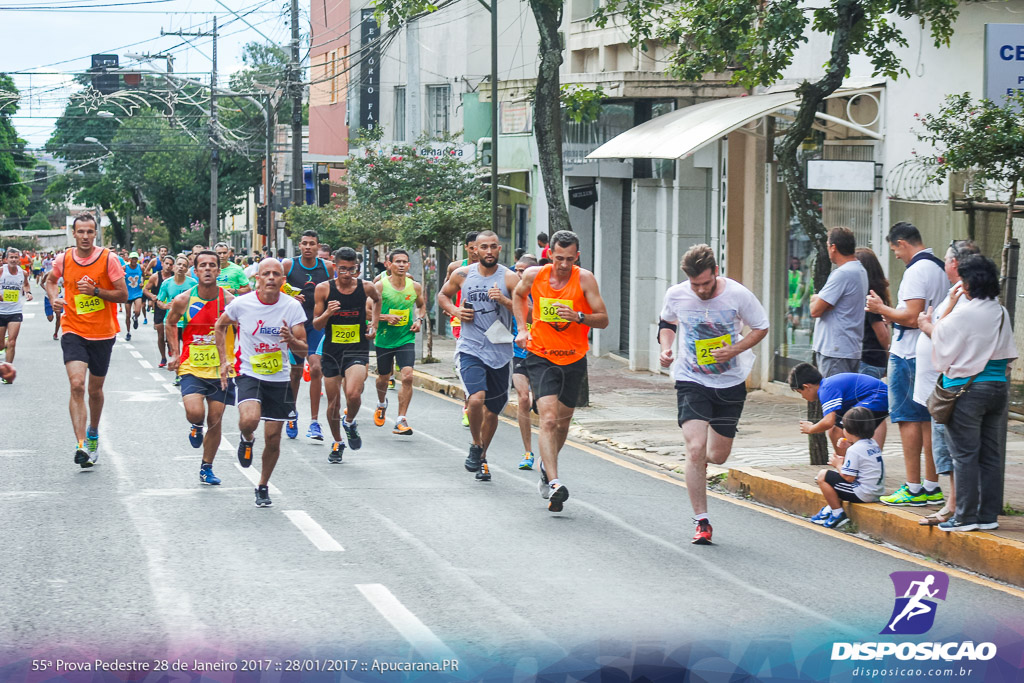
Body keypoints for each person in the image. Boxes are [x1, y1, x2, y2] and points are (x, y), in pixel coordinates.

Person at [656, 244, 769, 544]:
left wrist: (734, 349)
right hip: (691, 379)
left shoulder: (738, 295)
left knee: (717, 456)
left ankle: (699, 464)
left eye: (706, 283)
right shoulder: (676, 294)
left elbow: (761, 327)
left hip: (730, 381)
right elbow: (667, 322)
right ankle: (702, 521)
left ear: (716, 272)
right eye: (695, 285)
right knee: (694, 449)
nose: (701, 290)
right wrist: (665, 348)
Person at [513, 231, 609, 509]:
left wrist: (579, 317)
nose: (564, 264)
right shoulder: (534, 275)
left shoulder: (585, 278)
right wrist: (522, 328)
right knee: (549, 419)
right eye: (558, 259)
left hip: (573, 358)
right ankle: (554, 482)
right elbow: (519, 296)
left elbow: (603, 320)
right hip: (540, 355)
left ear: (577, 256)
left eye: (569, 259)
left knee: (564, 423)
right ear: (549, 255)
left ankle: (547, 464)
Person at [925, 254, 1017, 532]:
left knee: (964, 455)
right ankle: (987, 515)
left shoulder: (965, 313)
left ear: (968, 284)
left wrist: (930, 321)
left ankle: (965, 517)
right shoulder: (1000, 312)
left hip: (966, 392)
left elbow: (940, 341)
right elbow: (1008, 355)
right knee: (990, 454)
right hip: (997, 388)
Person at [866, 222, 949, 507]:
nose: (896, 256)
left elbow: (913, 316)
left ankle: (913, 488)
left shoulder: (916, 270)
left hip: (908, 354)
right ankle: (930, 485)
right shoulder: (938, 267)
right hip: (927, 352)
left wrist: (881, 310)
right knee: (926, 420)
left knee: (908, 419)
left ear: (902, 243)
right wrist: (893, 314)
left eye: (895, 250)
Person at [215, 258, 307, 507]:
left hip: (279, 378)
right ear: (257, 278)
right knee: (249, 420)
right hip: (249, 373)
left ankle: (263, 485)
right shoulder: (242, 304)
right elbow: (220, 326)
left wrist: (291, 340)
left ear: (283, 280)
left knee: (274, 438)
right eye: (265, 273)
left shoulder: (292, 307)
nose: (271, 278)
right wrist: (224, 360)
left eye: (276, 274)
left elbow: (304, 348)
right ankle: (247, 439)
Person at [45, 213, 128, 467]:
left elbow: (123, 294)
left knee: (95, 390)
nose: (85, 236)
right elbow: (50, 281)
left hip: (103, 333)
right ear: (73, 233)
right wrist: (53, 299)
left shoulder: (108, 259)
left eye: (89, 232)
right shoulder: (64, 258)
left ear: (96, 233)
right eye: (80, 232)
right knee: (78, 384)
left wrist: (96, 291)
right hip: (73, 329)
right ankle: (81, 444)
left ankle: (93, 432)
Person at [442, 230, 520, 484]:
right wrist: (455, 309)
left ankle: (482, 456)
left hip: (500, 352)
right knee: (476, 400)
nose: (488, 251)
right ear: (474, 249)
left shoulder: (510, 278)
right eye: (483, 247)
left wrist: (505, 301)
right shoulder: (462, 274)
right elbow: (443, 295)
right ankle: (476, 444)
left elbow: (525, 309)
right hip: (471, 347)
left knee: (493, 413)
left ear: (499, 249)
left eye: (493, 247)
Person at [914, 240, 980, 525]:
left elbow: (947, 336)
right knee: (945, 446)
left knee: (951, 447)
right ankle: (954, 503)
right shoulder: (955, 293)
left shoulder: (964, 296)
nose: (943, 263)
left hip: (952, 385)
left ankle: (954, 505)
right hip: (942, 383)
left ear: (955, 263)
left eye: (946, 259)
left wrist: (927, 324)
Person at [165, 250, 236, 486]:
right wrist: (175, 353)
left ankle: (207, 467)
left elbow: (246, 328)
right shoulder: (184, 299)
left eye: (212, 265)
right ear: (195, 271)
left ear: (218, 270)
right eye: (203, 265)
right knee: (196, 413)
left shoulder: (229, 302)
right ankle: (196, 426)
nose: (207, 269)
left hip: (221, 370)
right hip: (192, 366)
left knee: (215, 420)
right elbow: (171, 322)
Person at [312, 247, 381, 461]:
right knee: (333, 403)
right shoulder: (323, 289)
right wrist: (328, 313)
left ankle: (349, 421)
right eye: (343, 269)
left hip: (357, 348)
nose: (347, 274)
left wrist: (374, 325)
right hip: (332, 351)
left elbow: (377, 300)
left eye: (352, 269)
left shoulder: (365, 287)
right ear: (335, 266)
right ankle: (337, 441)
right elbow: (316, 325)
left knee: (353, 394)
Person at [282, 230, 332, 442]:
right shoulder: (289, 265)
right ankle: (292, 414)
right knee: (294, 373)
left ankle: (314, 422)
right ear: (299, 246)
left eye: (312, 243)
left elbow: (335, 290)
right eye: (304, 243)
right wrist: (292, 296)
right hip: (296, 324)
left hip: (317, 324)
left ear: (318, 246)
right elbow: (278, 289)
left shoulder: (327, 267)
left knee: (316, 369)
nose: (308, 247)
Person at [372, 249, 426, 436]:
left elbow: (421, 305)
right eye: (398, 262)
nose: (402, 265)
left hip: (406, 337)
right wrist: (385, 317)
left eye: (405, 262)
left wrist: (419, 320)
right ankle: (381, 403)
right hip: (384, 338)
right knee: (383, 377)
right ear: (389, 264)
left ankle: (401, 419)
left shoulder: (415, 287)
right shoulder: (380, 286)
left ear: (408, 265)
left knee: (408, 376)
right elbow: (366, 309)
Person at [810, 406, 886, 529]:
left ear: (848, 431)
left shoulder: (854, 450)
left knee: (822, 476)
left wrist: (837, 464)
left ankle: (837, 513)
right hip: (876, 491)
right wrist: (849, 444)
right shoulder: (872, 443)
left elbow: (848, 477)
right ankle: (830, 508)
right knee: (832, 476)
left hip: (862, 493)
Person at [789, 363, 888, 452]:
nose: (802, 396)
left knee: (849, 425)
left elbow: (828, 421)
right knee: (835, 430)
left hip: (878, 398)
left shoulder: (825, 389)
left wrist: (811, 429)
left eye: (800, 392)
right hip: (875, 398)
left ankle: (850, 467)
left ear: (807, 387)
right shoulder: (827, 386)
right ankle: (847, 466)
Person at [809, 227, 868, 377]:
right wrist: (824, 302)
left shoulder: (842, 273)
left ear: (833, 247)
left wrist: (817, 298)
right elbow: (827, 304)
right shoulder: (859, 270)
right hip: (848, 347)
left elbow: (815, 310)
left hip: (835, 350)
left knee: (834, 398)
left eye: (828, 245)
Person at [445, 231, 480, 426]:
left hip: (483, 320)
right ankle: (468, 405)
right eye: (472, 247)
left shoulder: (490, 269)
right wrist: (451, 309)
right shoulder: (456, 268)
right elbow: (445, 292)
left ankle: (475, 400)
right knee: (469, 360)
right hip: (461, 321)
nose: (476, 251)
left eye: (479, 247)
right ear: (466, 247)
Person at [512, 255, 538, 469]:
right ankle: (527, 452)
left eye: (522, 271)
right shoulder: (509, 288)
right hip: (516, 353)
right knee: (523, 399)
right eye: (516, 270)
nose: (518, 275)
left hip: (541, 354)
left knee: (541, 406)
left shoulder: (542, 291)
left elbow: (532, 316)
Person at [157, 256, 198, 385]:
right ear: (174, 267)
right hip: (172, 322)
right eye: (179, 264)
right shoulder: (167, 283)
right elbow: (159, 300)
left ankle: (188, 373)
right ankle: (178, 375)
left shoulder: (192, 283)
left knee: (188, 349)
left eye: (184, 265)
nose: (181, 267)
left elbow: (198, 300)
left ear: (187, 269)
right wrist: (164, 306)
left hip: (187, 322)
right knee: (175, 350)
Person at [854, 248, 890, 379]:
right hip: (873, 360)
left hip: (868, 361)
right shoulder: (876, 294)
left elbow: (882, 333)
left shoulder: (869, 297)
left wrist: (888, 356)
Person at [0, 248, 32, 372]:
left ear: (19, 259)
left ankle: (8, 370)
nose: (13, 260)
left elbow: (26, 284)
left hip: (15, 310)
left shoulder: (23, 273)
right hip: (1, 311)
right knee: (1, 345)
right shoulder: (1, 271)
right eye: (11, 257)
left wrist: (28, 292)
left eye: (16, 257)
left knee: (13, 342)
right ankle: (4, 342)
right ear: (6, 259)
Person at [144, 255, 174, 367]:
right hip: (160, 309)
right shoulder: (155, 276)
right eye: (166, 263)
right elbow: (146, 289)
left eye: (171, 264)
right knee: (161, 335)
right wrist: (152, 296)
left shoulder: (175, 277)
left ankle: (171, 348)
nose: (168, 266)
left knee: (170, 335)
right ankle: (163, 357)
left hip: (171, 309)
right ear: (162, 264)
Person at [786, 256, 811, 344]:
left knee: (796, 321)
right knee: (789, 320)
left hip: (797, 301)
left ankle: (793, 340)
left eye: (797, 263)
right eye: (793, 263)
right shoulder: (788, 274)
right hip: (789, 301)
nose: (795, 265)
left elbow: (803, 288)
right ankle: (789, 340)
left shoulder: (800, 274)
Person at [123, 252, 146, 339]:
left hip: (137, 292)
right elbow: (119, 277)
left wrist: (142, 282)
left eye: (135, 258)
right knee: (127, 315)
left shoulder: (141, 267)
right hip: (127, 293)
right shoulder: (125, 268)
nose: (134, 260)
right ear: (129, 259)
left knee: (137, 311)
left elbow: (144, 276)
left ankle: (135, 317)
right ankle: (128, 332)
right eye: (132, 258)